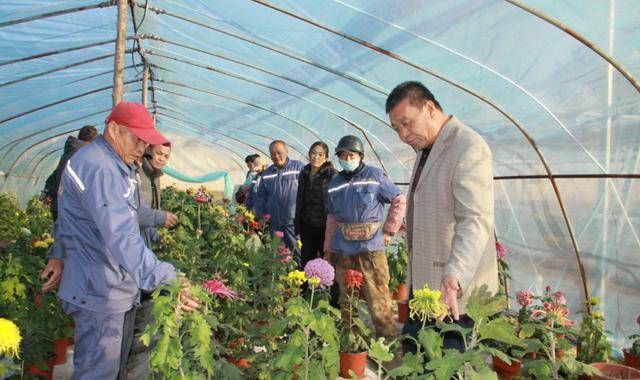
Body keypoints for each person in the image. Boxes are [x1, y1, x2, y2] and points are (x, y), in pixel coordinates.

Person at [45, 101, 199, 379]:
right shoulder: (101, 168)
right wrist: (168, 279)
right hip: (100, 290)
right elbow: (121, 236)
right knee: (99, 372)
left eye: (145, 140)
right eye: (136, 138)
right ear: (114, 129)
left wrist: (58, 253)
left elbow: (74, 216)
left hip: (108, 283)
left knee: (109, 369)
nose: (142, 146)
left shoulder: (111, 163)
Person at [385, 81, 498, 354]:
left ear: (430, 108)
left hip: (451, 291)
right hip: (423, 287)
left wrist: (455, 273)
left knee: (444, 365)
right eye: (397, 128)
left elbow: (475, 219)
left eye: (406, 123)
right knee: (415, 359)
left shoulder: (467, 146)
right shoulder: (426, 148)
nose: (403, 134)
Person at [323, 135, 406, 341]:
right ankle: (350, 338)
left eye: (350, 154)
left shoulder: (375, 175)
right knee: (346, 297)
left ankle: (387, 340)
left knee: (377, 293)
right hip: (343, 247)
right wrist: (328, 248)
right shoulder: (335, 182)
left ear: (360, 156)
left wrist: (389, 231)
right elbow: (332, 218)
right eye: (342, 155)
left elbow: (398, 199)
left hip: (370, 247)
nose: (346, 158)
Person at [254, 140, 304, 257]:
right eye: (272, 154)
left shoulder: (298, 168)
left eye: (279, 152)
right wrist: (261, 217)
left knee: (297, 252)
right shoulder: (267, 173)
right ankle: (280, 275)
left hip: (294, 223)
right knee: (277, 254)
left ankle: (298, 274)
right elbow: (260, 197)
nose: (276, 156)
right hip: (275, 223)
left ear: (286, 151)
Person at [294, 142, 336, 270]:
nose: (316, 157)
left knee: (327, 261)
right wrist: (298, 222)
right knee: (307, 260)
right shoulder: (304, 173)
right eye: (313, 153)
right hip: (307, 225)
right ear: (309, 155)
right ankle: (305, 289)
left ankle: (327, 289)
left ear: (326, 157)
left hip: (325, 226)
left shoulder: (332, 175)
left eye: (320, 154)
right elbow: (300, 199)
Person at [41, 125, 98, 220]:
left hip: (61, 204)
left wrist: (50, 192)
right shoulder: (82, 153)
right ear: (92, 141)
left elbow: (58, 172)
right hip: (70, 207)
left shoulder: (71, 149)